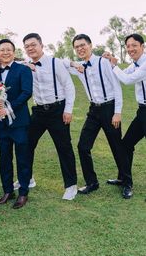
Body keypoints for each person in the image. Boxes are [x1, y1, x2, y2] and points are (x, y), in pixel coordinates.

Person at [63, 33, 132, 198]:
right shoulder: (79, 67)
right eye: (77, 47)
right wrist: (73, 63)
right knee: (83, 146)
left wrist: (117, 113)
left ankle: (127, 182)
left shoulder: (104, 62)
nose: (80, 49)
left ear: (90, 45)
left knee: (117, 147)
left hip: (109, 109)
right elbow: (61, 63)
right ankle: (92, 182)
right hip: (93, 111)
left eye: (83, 45)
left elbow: (117, 87)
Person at [23, 33, 77, 201]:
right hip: (38, 112)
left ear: (41, 45)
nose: (30, 48)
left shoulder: (56, 63)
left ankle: (71, 185)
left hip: (57, 110)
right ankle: (27, 179)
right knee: (26, 145)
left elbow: (69, 86)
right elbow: (9, 64)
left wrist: (68, 110)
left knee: (64, 148)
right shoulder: (25, 65)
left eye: (33, 45)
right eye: (27, 46)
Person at [104, 33, 146, 198]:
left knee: (125, 145)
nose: (130, 49)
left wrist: (114, 66)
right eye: (128, 46)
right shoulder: (135, 63)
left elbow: (128, 80)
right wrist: (111, 62)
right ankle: (125, 180)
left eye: (134, 45)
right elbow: (122, 76)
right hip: (142, 111)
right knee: (126, 145)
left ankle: (125, 181)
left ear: (142, 46)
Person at [0, 39, 33, 209]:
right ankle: (8, 191)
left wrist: (9, 109)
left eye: (8, 49)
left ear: (14, 51)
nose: (5, 52)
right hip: (2, 124)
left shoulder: (23, 70)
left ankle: (23, 193)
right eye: (2, 50)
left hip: (20, 122)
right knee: (5, 158)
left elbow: (26, 93)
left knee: (23, 158)